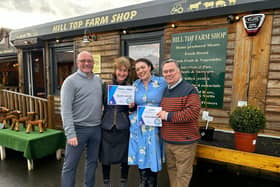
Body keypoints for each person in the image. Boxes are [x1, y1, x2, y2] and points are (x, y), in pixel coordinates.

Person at [61, 51, 103, 187]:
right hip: (78, 130)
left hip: (96, 128)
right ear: (77, 63)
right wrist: (70, 133)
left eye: (89, 61)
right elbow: (65, 110)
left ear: (93, 63)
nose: (86, 63)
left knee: (92, 163)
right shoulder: (70, 82)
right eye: (83, 61)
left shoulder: (98, 81)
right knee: (70, 165)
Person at [157, 59, 201, 187]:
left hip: (184, 142)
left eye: (171, 71)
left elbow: (192, 113)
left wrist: (167, 115)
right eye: (165, 72)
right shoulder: (166, 90)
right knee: (172, 171)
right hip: (168, 141)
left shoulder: (189, 90)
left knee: (183, 175)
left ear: (179, 71)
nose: (168, 74)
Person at [128, 58, 167, 187]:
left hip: (155, 128)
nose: (140, 71)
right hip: (139, 127)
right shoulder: (135, 85)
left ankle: (152, 183)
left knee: (152, 156)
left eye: (143, 67)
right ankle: (142, 182)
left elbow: (172, 94)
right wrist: (130, 106)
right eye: (137, 69)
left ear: (149, 67)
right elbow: (131, 105)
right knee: (141, 156)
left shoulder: (162, 82)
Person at [100, 57, 131, 187]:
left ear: (128, 72)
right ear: (115, 70)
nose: (122, 73)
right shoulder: (106, 86)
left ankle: (123, 182)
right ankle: (106, 183)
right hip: (107, 126)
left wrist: (132, 106)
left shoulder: (130, 87)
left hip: (123, 126)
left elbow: (134, 108)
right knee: (105, 158)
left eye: (125, 70)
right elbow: (100, 102)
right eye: (120, 70)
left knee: (125, 158)